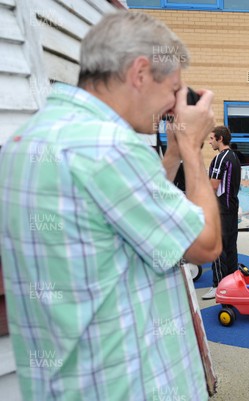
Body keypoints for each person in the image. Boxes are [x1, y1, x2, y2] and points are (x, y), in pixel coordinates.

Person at [0, 11, 221, 401]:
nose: (174, 106)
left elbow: (126, 215)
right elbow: (205, 244)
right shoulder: (110, 148)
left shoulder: (27, 141)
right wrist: (191, 149)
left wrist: (169, 159)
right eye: (173, 89)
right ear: (139, 73)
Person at [202, 126, 242, 299]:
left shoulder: (220, 158)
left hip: (220, 210)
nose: (210, 142)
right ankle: (232, 283)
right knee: (231, 247)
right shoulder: (235, 157)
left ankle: (218, 285)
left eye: (211, 139)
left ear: (219, 139)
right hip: (232, 208)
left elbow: (213, 186)